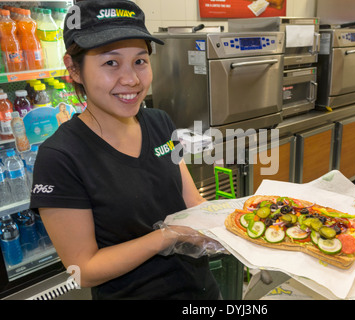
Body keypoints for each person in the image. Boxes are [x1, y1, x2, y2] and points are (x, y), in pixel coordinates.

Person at [29, 0, 222, 300]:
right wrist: (165, 237)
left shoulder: (159, 122)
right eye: (110, 63)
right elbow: (83, 268)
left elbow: (191, 201)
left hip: (202, 292)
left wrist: (232, 224)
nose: (131, 79)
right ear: (74, 69)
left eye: (140, 61)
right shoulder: (60, 157)